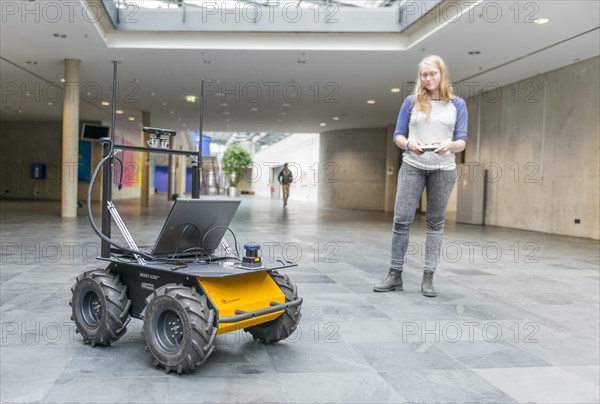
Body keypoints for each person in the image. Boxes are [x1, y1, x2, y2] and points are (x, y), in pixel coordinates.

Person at [374, 55, 468, 297]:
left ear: (442, 74)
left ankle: (428, 277)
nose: (428, 78)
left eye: (432, 74)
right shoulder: (411, 102)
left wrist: (448, 145)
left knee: (435, 223)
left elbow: (462, 142)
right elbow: (397, 135)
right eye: (424, 75)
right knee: (401, 220)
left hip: (443, 170)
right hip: (412, 166)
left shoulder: (457, 104)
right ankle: (395, 275)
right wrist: (408, 144)